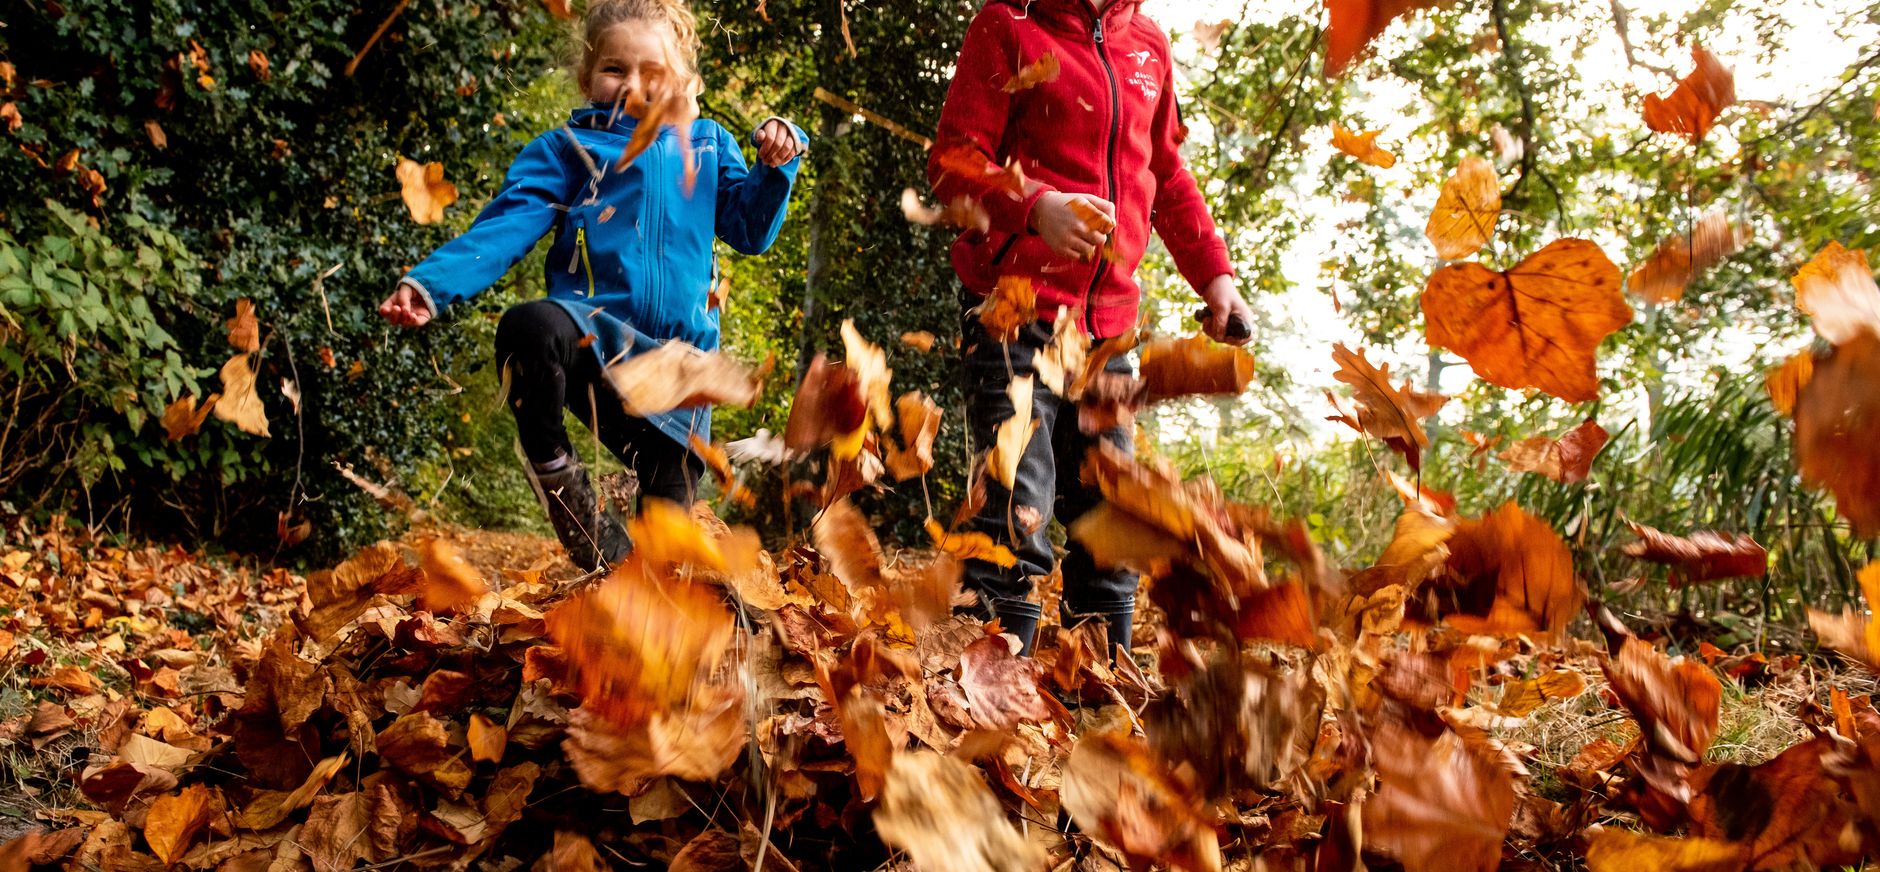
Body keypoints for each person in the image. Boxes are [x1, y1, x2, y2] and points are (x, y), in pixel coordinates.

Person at [378, 0, 806, 571]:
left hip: (681, 378)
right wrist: (430, 285)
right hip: (598, 344)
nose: (632, 86)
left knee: (656, 571)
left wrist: (778, 160)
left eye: (652, 73)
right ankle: (562, 482)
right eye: (614, 70)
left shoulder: (706, 146)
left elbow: (750, 230)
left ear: (681, 79)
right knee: (529, 327)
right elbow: (505, 225)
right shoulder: (567, 152)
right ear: (586, 78)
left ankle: (627, 599)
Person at [927, 0, 1255, 655]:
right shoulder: (1008, 25)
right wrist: (1034, 206)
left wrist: (1216, 279)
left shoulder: (1148, 46)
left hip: (1107, 337)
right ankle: (988, 696)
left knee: (1113, 515)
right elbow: (953, 163)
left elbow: (1166, 176)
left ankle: (1101, 691)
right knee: (1015, 506)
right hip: (1012, 315)